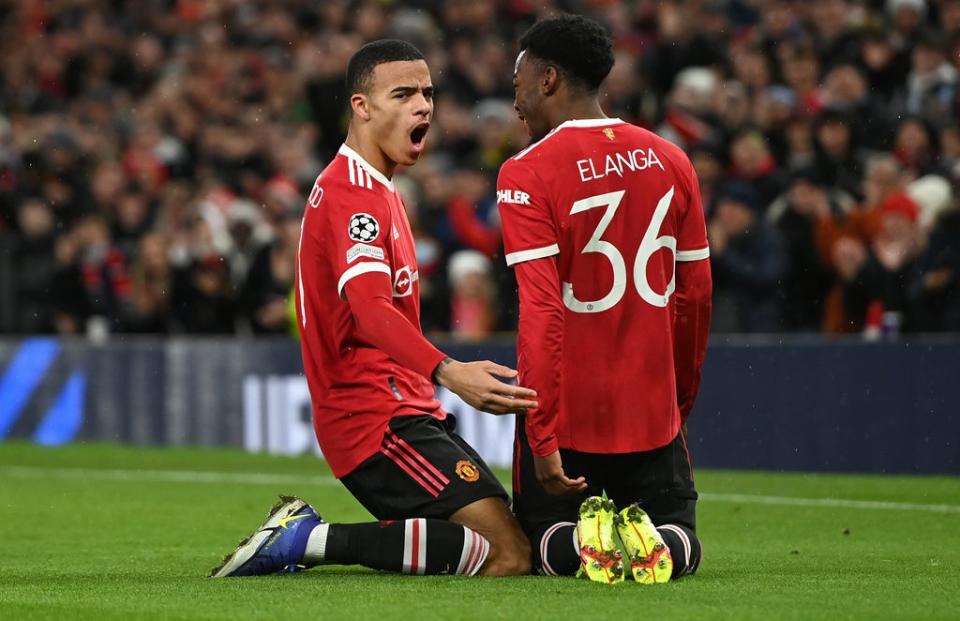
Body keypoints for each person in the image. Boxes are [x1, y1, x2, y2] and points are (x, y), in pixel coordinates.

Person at [212, 40, 537, 579]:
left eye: (428, 94)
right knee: (507, 554)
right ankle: (309, 539)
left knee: (509, 546)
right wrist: (451, 371)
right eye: (404, 94)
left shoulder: (380, 189)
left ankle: (309, 537)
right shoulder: (353, 196)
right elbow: (368, 308)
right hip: (374, 419)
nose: (424, 106)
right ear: (361, 106)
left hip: (405, 408)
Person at [497, 15, 712, 584]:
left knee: (540, 546)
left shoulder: (526, 172)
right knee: (681, 538)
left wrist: (542, 437)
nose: (513, 97)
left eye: (517, 81)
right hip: (651, 411)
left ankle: (580, 544)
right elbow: (696, 297)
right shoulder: (671, 159)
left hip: (570, 419)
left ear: (547, 80)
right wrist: (679, 399)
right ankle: (655, 542)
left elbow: (542, 313)